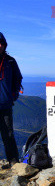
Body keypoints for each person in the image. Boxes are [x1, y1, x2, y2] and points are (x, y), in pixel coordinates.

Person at [0, 32, 22, 167]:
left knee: (8, 135)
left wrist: (13, 95)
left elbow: (18, 79)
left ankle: (14, 163)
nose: (0, 45)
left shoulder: (10, 61)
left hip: (5, 105)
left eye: (1, 43)